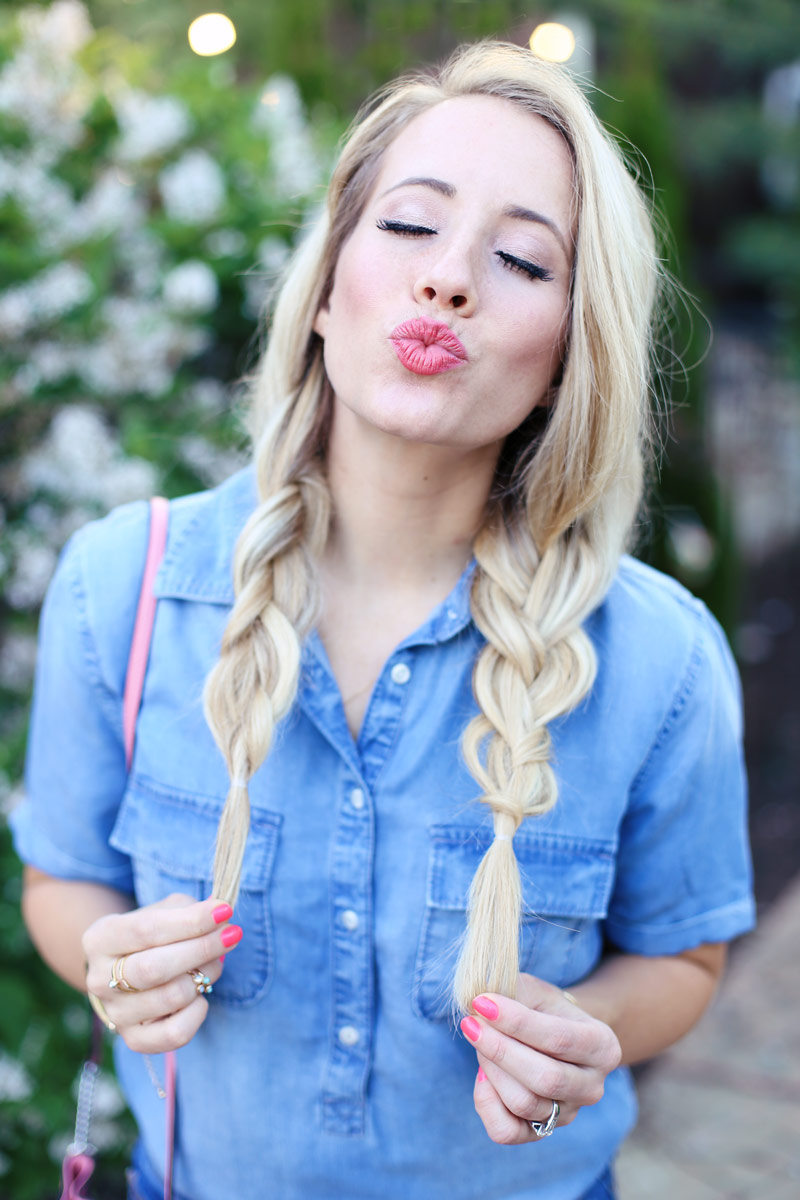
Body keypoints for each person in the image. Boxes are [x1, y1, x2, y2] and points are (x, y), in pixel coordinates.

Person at [13, 40, 754, 1200]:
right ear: (322, 289)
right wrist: (105, 962)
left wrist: (585, 1027)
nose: (449, 277)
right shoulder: (123, 587)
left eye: (519, 258)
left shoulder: (658, 660)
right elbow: (61, 882)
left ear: (565, 355)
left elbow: (686, 955)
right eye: (408, 226)